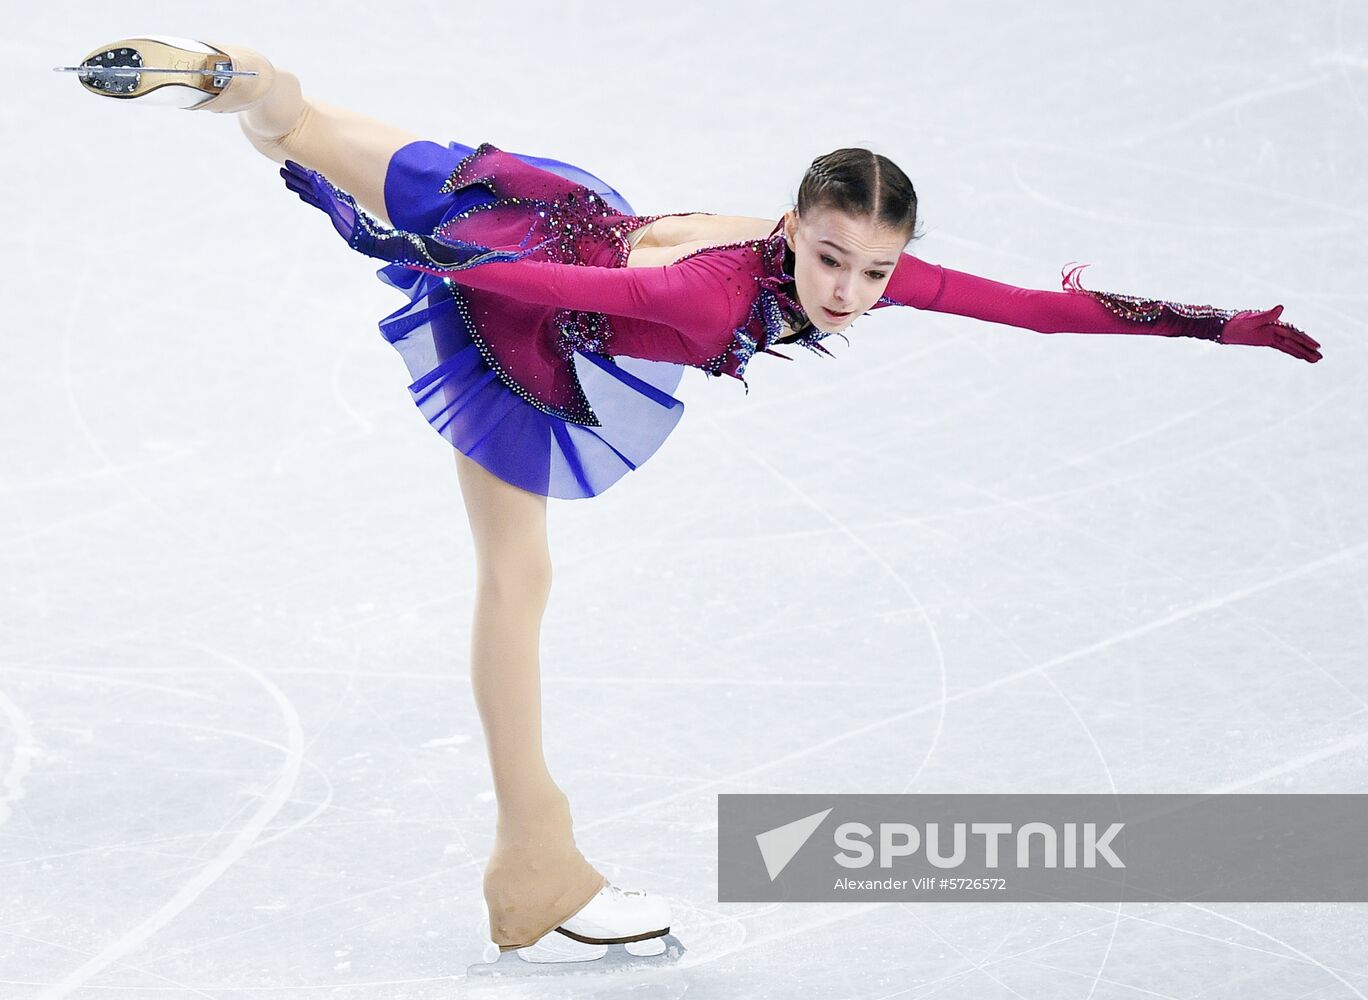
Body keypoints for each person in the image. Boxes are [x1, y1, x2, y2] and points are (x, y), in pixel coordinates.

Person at [60, 34, 1322, 974]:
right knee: (516, 579)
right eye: (831, 259)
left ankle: (232, 77)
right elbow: (551, 290)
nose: (850, 292)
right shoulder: (710, 296)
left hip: (548, 199)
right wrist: (411, 254)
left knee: (296, 117)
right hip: (520, 293)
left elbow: (1038, 309)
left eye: (875, 270)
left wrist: (1223, 324)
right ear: (794, 226)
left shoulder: (860, 268)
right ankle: (535, 864)